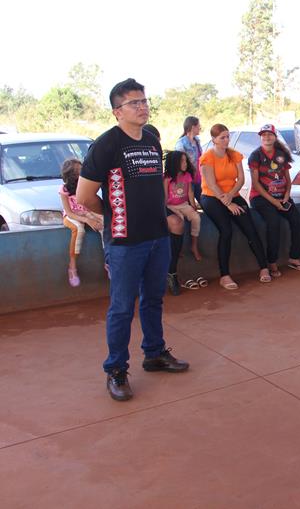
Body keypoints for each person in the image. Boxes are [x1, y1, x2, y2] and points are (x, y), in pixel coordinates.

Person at [76, 78, 189, 402]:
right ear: (117, 112)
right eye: (134, 103)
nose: (142, 107)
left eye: (144, 100)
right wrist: (114, 215)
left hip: (157, 237)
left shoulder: (152, 140)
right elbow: (84, 196)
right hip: (125, 242)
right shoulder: (106, 145)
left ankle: (154, 354)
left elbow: (155, 188)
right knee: (123, 308)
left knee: (154, 300)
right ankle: (116, 370)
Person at [200, 123, 272, 290]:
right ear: (214, 140)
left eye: (227, 137)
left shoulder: (234, 155)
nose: (226, 140)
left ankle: (264, 267)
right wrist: (228, 204)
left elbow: (240, 180)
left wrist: (231, 196)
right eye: (222, 138)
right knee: (226, 231)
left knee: (251, 229)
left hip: (232, 194)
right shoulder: (207, 157)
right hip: (212, 197)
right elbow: (211, 183)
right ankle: (224, 276)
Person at [247, 123, 300, 276]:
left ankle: (294, 258)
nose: (267, 137)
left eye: (270, 134)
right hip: (261, 198)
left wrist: (287, 196)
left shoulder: (281, 154)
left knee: (298, 221)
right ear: (260, 137)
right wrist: (274, 202)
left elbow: (287, 179)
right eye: (264, 134)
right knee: (274, 222)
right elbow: (255, 183)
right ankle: (272, 262)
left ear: (275, 136)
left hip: (282, 196)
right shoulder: (256, 155)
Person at [163, 150, 202, 295]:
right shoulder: (167, 178)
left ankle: (193, 245)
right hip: (171, 206)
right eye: (183, 161)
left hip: (183, 204)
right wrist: (166, 209)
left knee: (195, 218)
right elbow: (165, 198)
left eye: (186, 161)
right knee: (178, 222)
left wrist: (193, 206)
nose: (186, 164)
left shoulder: (187, 176)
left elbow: (190, 192)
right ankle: (175, 256)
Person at [60, 158, 103, 287]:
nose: (82, 174)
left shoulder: (85, 185)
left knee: (105, 224)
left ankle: (109, 261)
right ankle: (72, 266)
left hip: (85, 212)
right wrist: (87, 220)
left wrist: (93, 217)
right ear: (70, 175)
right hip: (71, 215)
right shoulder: (64, 189)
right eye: (78, 172)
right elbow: (69, 212)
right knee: (79, 229)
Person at [174, 116, 203, 200]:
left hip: (198, 177)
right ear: (193, 127)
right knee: (188, 202)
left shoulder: (197, 140)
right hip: (187, 178)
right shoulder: (181, 143)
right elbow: (179, 163)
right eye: (198, 126)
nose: (200, 128)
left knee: (203, 201)